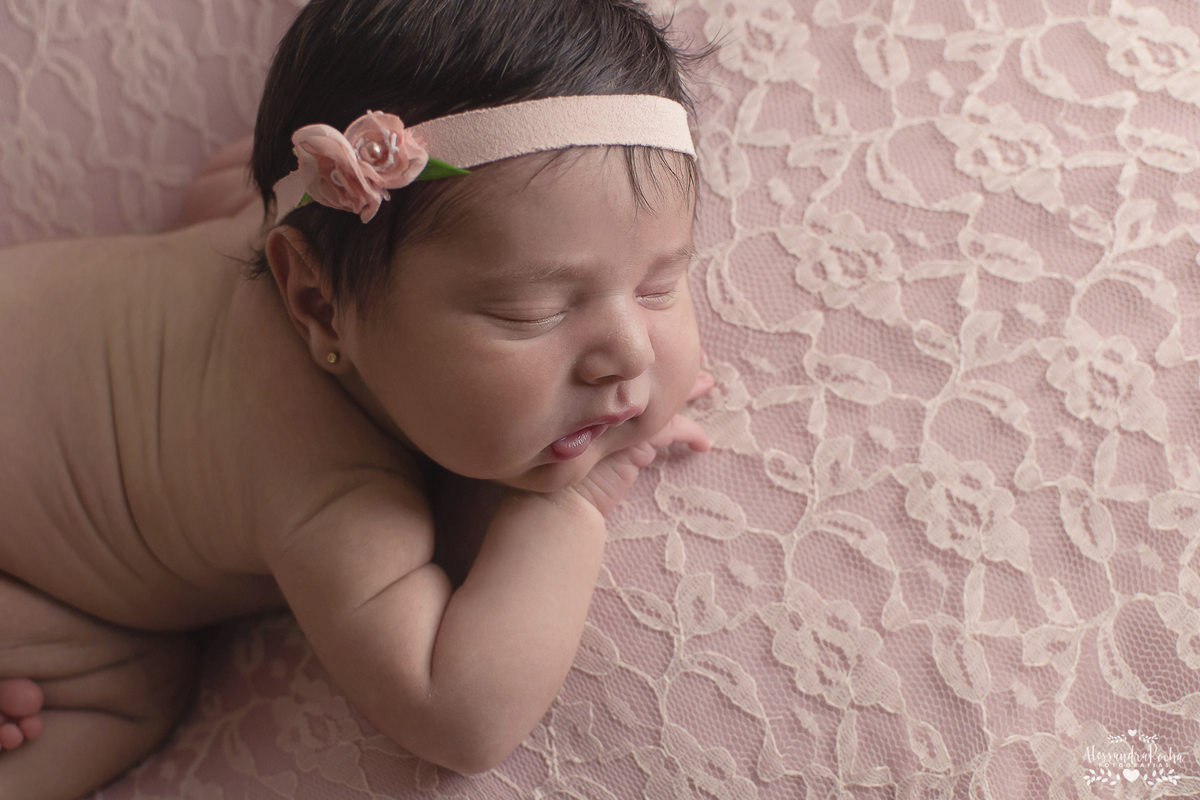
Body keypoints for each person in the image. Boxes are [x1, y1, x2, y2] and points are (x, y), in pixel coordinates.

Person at [0, 0, 712, 796]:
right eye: (532, 311)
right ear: (315, 301)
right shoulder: (321, 479)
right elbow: (459, 716)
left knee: (135, 687)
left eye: (661, 283)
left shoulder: (292, 213)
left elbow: (227, 183)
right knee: (121, 704)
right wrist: (568, 505)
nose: (630, 351)